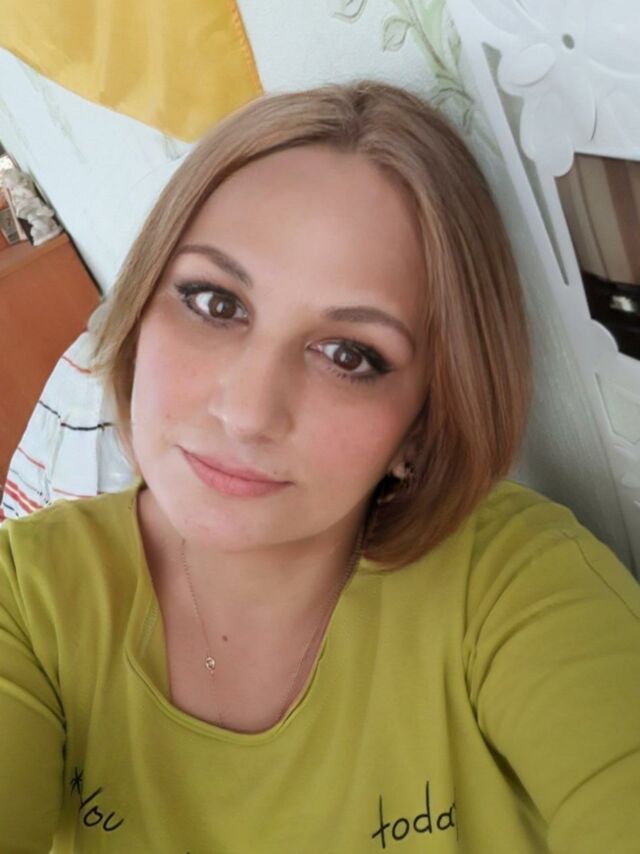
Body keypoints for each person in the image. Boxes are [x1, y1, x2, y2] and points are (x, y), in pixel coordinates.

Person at [0, 80, 638, 854]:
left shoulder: (516, 586)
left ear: (423, 422)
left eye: (349, 355)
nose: (247, 412)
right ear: (139, 313)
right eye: (216, 303)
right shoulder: (26, 598)